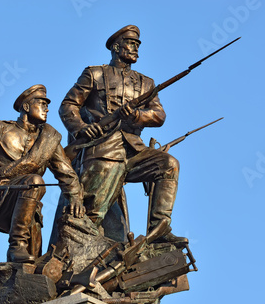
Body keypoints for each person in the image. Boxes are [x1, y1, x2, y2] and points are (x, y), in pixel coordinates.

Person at [59, 25, 187, 244]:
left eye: (137, 45)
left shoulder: (146, 83)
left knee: (169, 164)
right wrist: (81, 128)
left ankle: (160, 229)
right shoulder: (94, 73)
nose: (136, 48)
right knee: (93, 215)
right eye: (131, 44)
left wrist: (137, 115)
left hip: (134, 150)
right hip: (103, 150)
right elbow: (68, 105)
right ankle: (73, 253)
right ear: (116, 47)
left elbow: (159, 115)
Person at [0, 84, 84, 263]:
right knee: (35, 181)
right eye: (42, 104)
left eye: (47, 104)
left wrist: (76, 198)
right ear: (26, 106)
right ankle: (16, 245)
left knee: (31, 260)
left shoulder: (49, 138)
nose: (47, 108)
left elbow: (67, 173)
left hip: (29, 201)